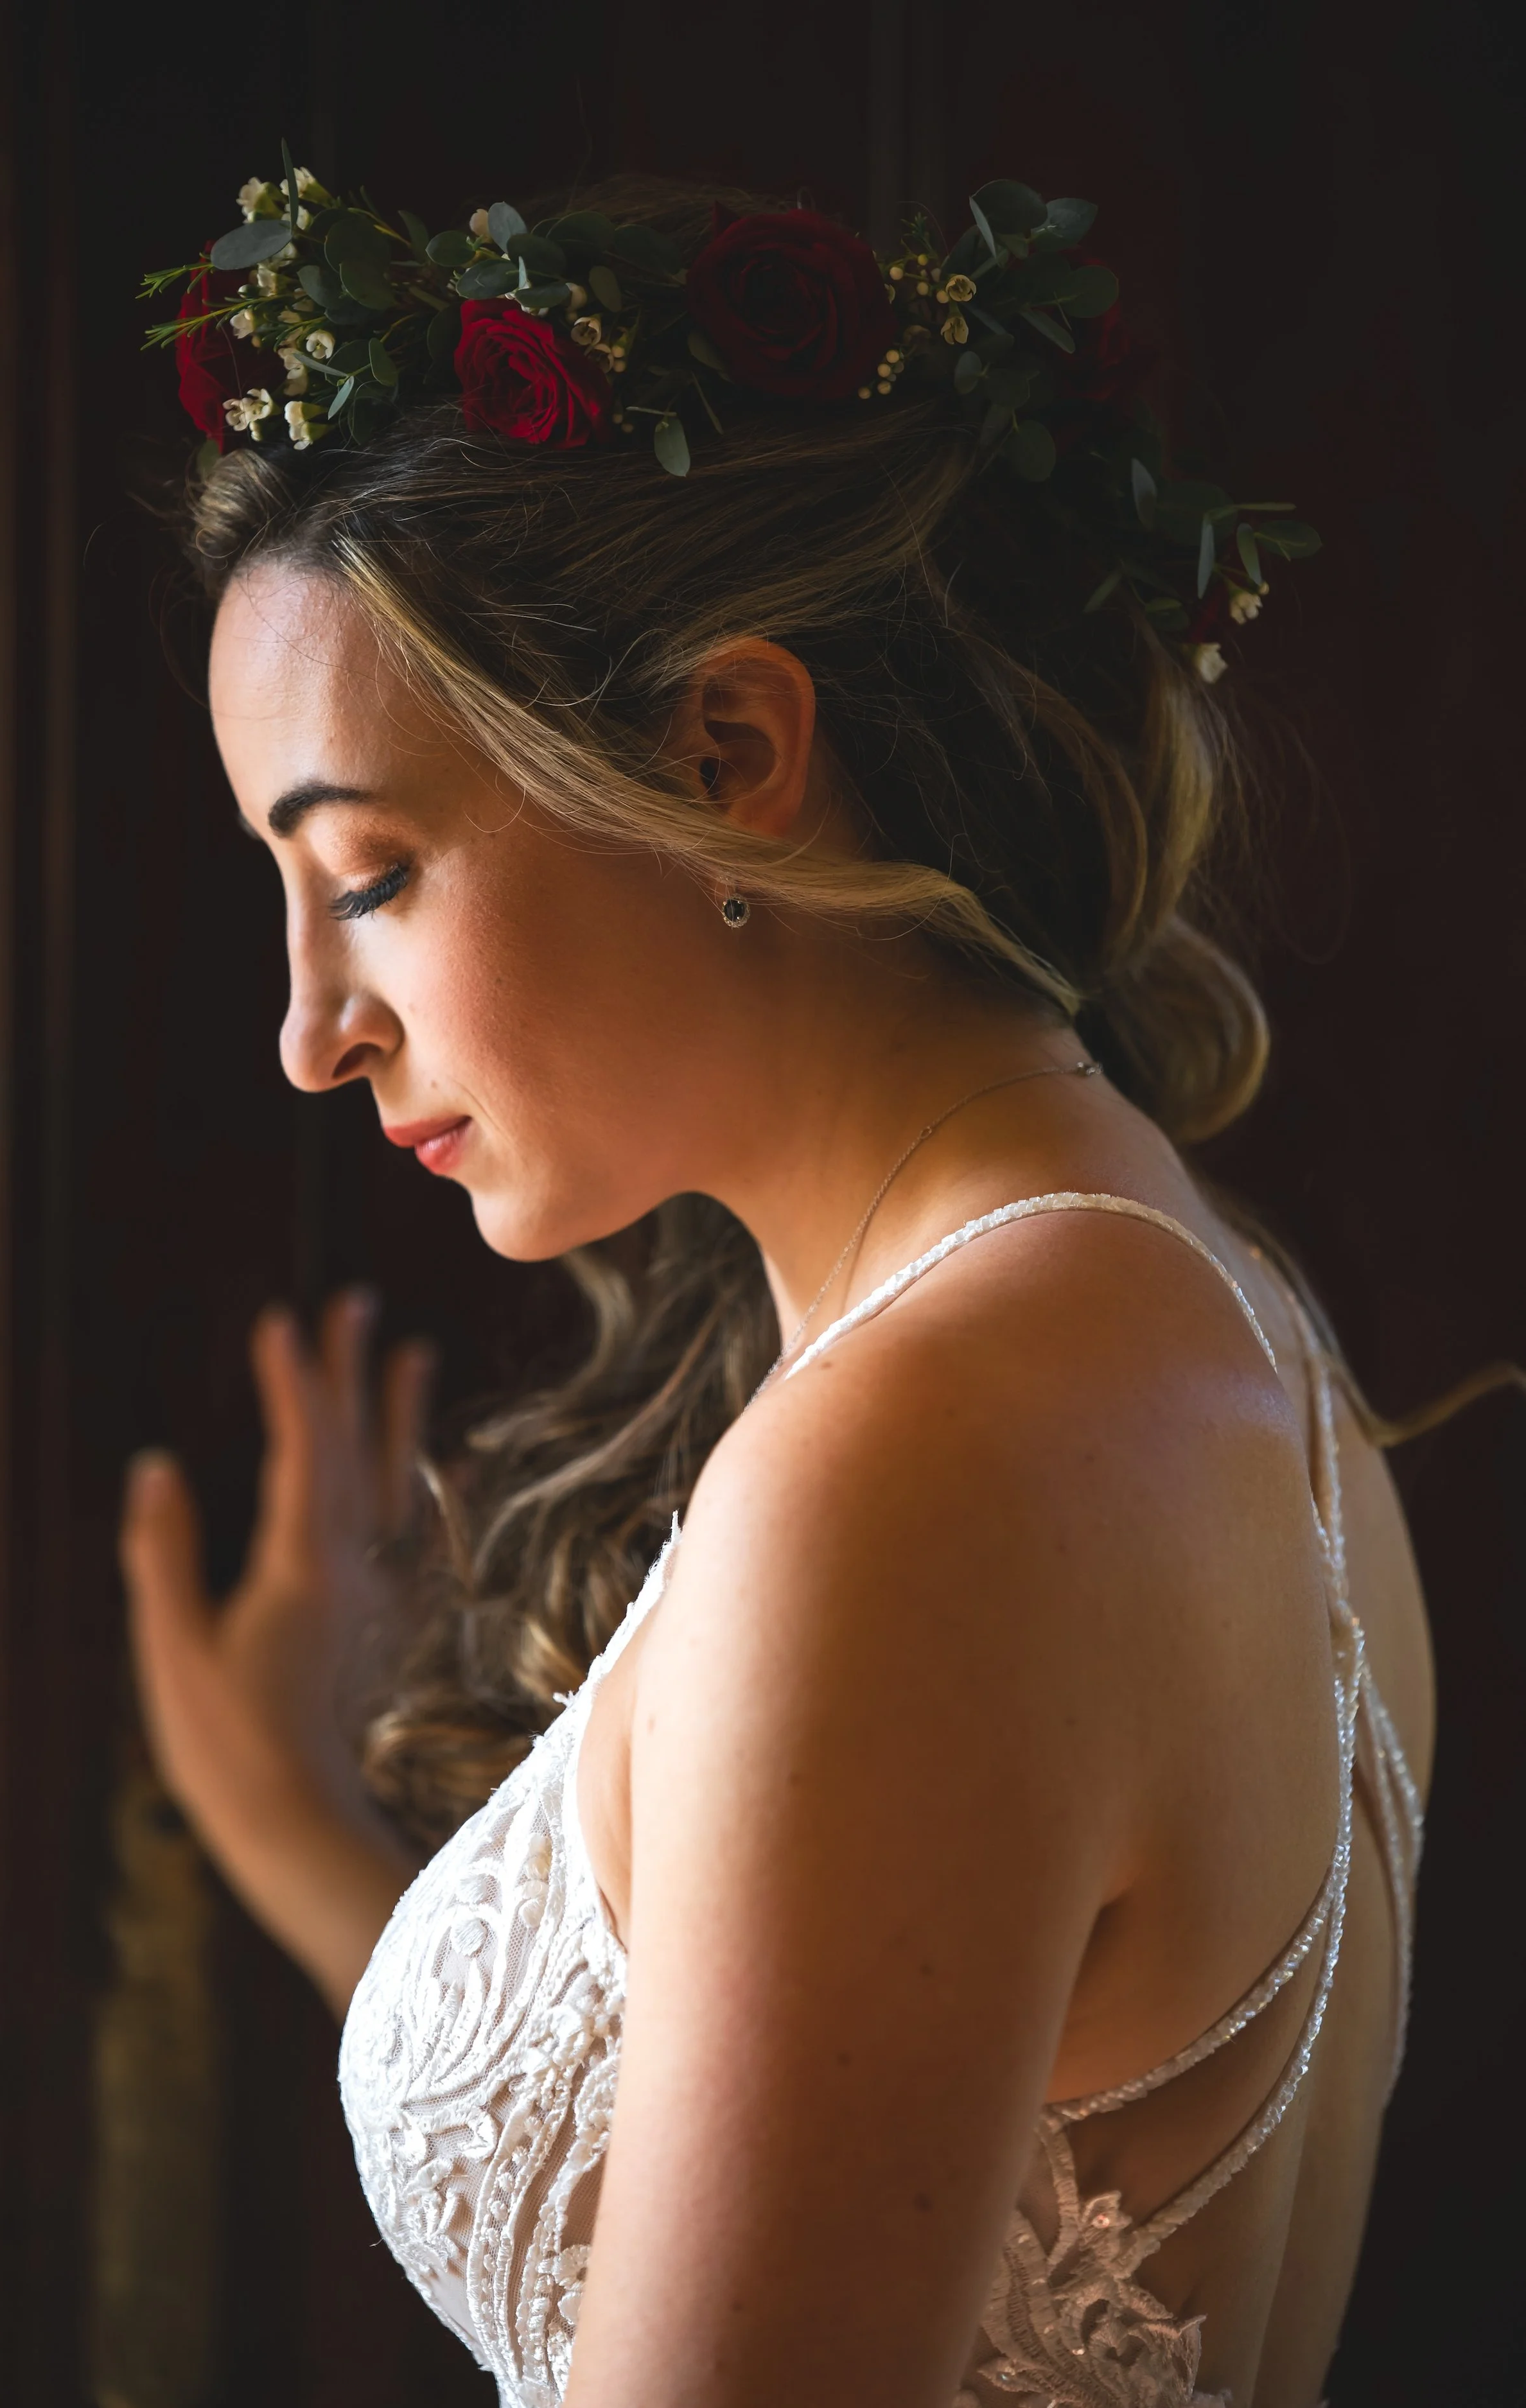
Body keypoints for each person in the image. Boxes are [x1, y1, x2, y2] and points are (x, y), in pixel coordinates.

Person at [119, 171, 1468, 2408]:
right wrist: (290, 1815)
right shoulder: (1208, 1321)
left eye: (369, 873)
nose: (308, 1027)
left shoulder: (920, 1464)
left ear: (725, 754)